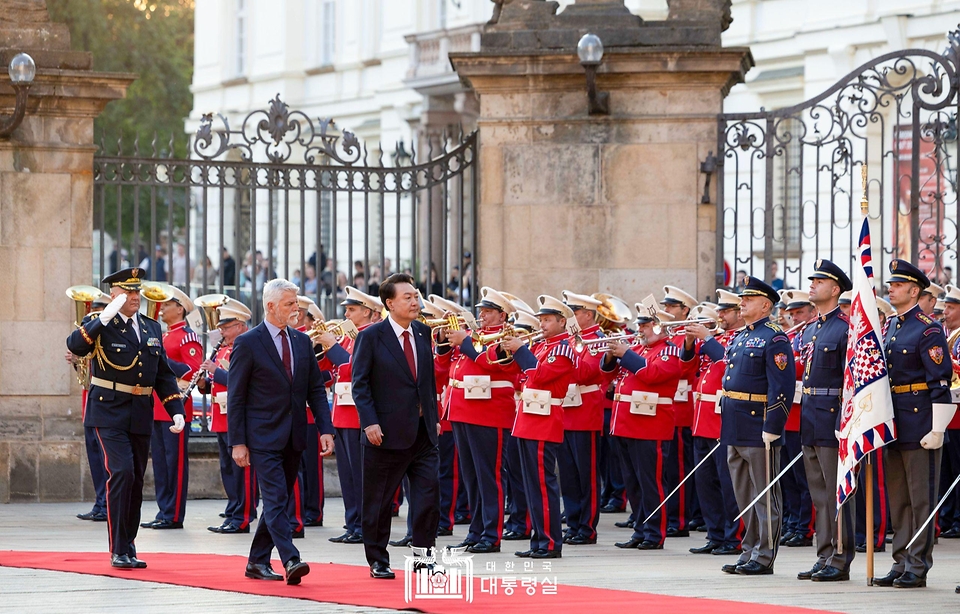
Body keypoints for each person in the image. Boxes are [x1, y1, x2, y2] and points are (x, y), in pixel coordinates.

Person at [66, 267, 186, 569]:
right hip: (108, 409)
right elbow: (75, 346)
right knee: (120, 472)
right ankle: (118, 548)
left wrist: (176, 410)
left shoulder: (150, 327)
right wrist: (104, 317)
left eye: (137, 291)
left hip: (140, 412)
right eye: (128, 291)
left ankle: (128, 545)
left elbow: (162, 375)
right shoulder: (98, 323)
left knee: (134, 480)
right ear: (114, 295)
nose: (135, 296)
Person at [227, 278, 335, 585]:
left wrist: (326, 429)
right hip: (261, 437)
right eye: (290, 303)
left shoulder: (302, 342)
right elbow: (236, 396)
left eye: (297, 303)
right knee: (275, 499)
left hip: (294, 436)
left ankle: (256, 561)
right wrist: (238, 442)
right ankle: (290, 558)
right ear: (271, 306)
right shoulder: (248, 342)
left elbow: (315, 390)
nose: (296, 309)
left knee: (280, 500)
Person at [352, 273, 441, 579]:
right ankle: (378, 558)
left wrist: (435, 417)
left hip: (423, 432)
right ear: (389, 303)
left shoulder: (422, 333)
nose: (415, 301)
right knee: (378, 501)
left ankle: (424, 556)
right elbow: (359, 384)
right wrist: (370, 422)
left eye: (416, 296)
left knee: (428, 496)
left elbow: (427, 382)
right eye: (407, 297)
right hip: (385, 434)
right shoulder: (371, 337)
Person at [873, 260, 955, 589]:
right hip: (895, 422)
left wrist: (937, 428)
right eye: (890, 284)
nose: (890, 288)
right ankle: (901, 559)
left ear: (913, 291)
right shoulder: (892, 325)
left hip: (921, 422)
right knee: (900, 499)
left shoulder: (928, 328)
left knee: (920, 498)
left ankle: (918, 564)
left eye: (896, 284)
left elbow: (940, 382)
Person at [719, 275, 795, 576]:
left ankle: (764, 556)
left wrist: (773, 424)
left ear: (765, 305)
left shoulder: (774, 337)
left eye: (748, 299)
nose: (742, 303)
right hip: (735, 423)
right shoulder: (741, 336)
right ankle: (748, 550)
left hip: (758, 423)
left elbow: (782, 386)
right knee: (744, 494)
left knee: (765, 495)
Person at [438, 287, 519, 554]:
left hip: (490, 413)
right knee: (471, 476)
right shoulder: (474, 336)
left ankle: (491, 534)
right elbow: (445, 366)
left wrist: (465, 342)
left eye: (488, 312)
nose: (482, 316)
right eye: (481, 312)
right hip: (462, 411)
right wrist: (444, 339)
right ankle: (476, 530)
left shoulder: (509, 337)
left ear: (502, 315)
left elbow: (492, 362)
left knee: (490, 475)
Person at [498, 295, 577, 559]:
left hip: (544, 420)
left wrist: (521, 350)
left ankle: (550, 542)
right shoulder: (542, 346)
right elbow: (522, 377)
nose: (541, 324)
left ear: (561, 322)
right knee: (531, 485)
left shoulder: (562, 349)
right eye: (541, 319)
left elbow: (542, 375)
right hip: (527, 419)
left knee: (544, 485)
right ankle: (539, 540)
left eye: (547, 320)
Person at [602, 299, 682, 551]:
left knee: (651, 481)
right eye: (641, 325)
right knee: (633, 482)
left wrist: (625, 354)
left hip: (649, 426)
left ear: (660, 327)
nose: (641, 330)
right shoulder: (637, 351)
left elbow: (652, 375)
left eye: (646, 325)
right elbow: (608, 376)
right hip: (625, 423)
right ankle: (639, 527)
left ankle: (654, 532)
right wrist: (609, 356)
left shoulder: (669, 351)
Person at [797, 259, 855, 582]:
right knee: (818, 494)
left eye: (819, 281)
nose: (812, 284)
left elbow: (851, 380)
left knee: (838, 492)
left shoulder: (845, 328)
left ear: (835, 289)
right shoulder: (813, 328)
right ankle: (824, 553)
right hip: (810, 415)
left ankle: (841, 555)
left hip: (833, 416)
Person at [318, 286, 382, 545]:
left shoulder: (370, 335)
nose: (346, 313)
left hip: (358, 414)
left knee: (361, 475)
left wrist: (331, 346)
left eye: (352, 309)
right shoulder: (348, 336)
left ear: (367, 312)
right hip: (342, 413)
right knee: (347, 476)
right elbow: (333, 371)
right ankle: (353, 523)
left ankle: (365, 526)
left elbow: (353, 366)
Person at [684, 292, 745, 556]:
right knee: (705, 482)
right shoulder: (717, 338)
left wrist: (706, 339)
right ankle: (716, 534)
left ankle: (734, 538)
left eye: (725, 311)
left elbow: (731, 363)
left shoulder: (741, 339)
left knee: (728, 483)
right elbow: (687, 369)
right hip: (702, 419)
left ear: (739, 312)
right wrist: (688, 343)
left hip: (722, 420)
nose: (720, 316)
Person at [142, 287, 202, 530]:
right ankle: (163, 510)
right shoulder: (162, 335)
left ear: (179, 308)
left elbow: (193, 370)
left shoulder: (187, 337)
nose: (161, 308)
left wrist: (163, 358)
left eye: (166, 305)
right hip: (157, 406)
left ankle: (174, 514)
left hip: (175, 406)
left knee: (174, 463)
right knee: (160, 463)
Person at [558, 290, 614, 545]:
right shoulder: (570, 339)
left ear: (588, 315)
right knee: (568, 474)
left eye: (575, 313)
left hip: (585, 411)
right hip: (565, 410)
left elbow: (585, 372)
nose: (570, 318)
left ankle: (586, 527)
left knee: (586, 474)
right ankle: (572, 522)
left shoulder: (597, 340)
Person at [201, 299, 259, 535]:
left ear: (240, 325)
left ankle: (242, 516)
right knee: (227, 469)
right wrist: (205, 382)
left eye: (226, 326)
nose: (221, 331)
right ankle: (233, 509)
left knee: (241, 469)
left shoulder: (245, 348)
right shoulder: (223, 349)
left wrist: (216, 372)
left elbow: (240, 383)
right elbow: (216, 385)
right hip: (220, 415)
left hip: (237, 417)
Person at [660, 285, 703, 536]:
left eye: (671, 307)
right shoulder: (668, 333)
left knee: (680, 468)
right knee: (669, 468)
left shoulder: (689, 335)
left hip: (681, 407)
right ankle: (672, 514)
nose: (666, 310)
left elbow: (684, 368)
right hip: (668, 406)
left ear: (685, 310)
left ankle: (680, 519)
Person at [778, 290, 817, 549]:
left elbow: (805, 367)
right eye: (791, 314)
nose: (794, 318)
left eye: (799, 313)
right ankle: (793, 522)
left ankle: (805, 527)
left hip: (804, 414)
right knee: (788, 477)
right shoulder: (790, 337)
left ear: (812, 311)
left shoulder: (813, 333)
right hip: (787, 415)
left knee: (804, 478)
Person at [73, 293, 112, 523]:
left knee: (105, 459)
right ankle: (100, 502)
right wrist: (77, 360)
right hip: (89, 404)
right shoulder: (88, 338)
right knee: (95, 459)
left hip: (102, 405)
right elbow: (85, 377)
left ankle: (107, 504)